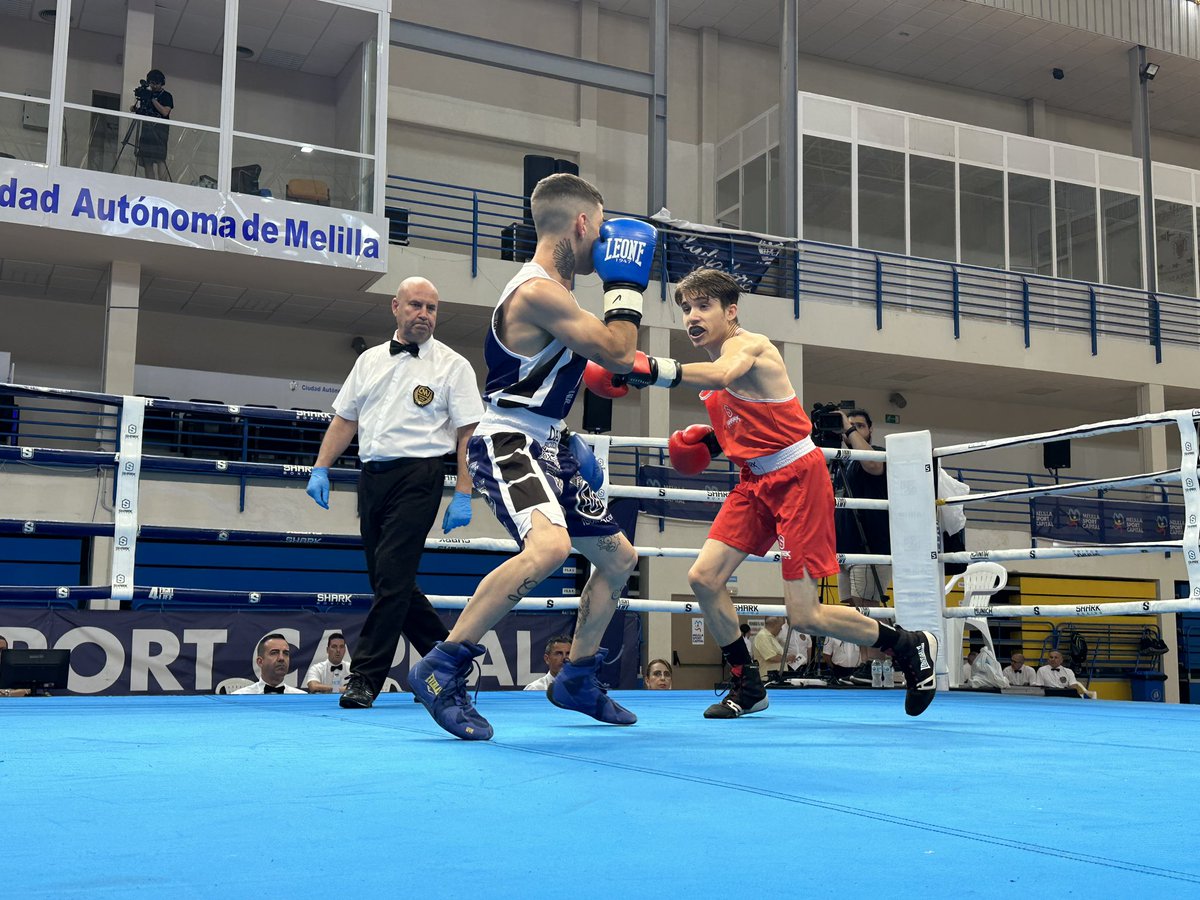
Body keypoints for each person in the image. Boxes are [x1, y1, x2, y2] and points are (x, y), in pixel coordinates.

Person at [585, 267, 938, 718]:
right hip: (755, 483)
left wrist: (647, 368)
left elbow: (723, 374)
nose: (693, 316)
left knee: (805, 616)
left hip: (798, 480)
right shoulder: (711, 373)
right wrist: (709, 442)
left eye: (704, 306)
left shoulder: (748, 346)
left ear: (730, 311)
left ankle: (909, 645)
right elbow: (742, 418)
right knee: (704, 578)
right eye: (687, 309)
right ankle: (746, 685)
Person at [407, 173, 657, 740]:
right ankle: (442, 666)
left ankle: (577, 676)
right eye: (602, 230)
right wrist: (625, 285)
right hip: (508, 440)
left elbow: (595, 366)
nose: (604, 244)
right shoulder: (537, 291)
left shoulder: (557, 294)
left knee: (618, 559)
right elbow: (619, 351)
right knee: (550, 547)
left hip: (548, 443)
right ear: (584, 224)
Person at [305, 276, 484, 710]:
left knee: (391, 579)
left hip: (419, 477)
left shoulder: (453, 365)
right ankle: (448, 657)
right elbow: (345, 419)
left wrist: (464, 492)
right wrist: (321, 467)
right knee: (390, 581)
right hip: (372, 478)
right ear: (396, 307)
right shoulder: (368, 361)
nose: (424, 314)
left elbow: (468, 434)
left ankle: (365, 678)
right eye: (416, 305)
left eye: (432, 308)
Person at [835, 408, 891, 605]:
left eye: (860, 426)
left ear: (870, 429)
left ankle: (900, 638)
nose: (855, 430)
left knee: (866, 612)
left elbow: (872, 465)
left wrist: (850, 431)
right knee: (850, 615)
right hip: (844, 549)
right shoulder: (839, 460)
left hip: (870, 549)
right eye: (851, 425)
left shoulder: (878, 454)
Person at [129, 68, 173, 182]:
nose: (154, 86)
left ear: (161, 83)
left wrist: (152, 99)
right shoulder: (147, 94)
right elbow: (143, 110)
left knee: (160, 159)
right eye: (152, 83)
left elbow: (165, 112)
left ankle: (163, 185)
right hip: (146, 130)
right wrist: (135, 109)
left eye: (157, 83)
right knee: (146, 160)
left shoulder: (166, 96)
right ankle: (150, 185)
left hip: (160, 131)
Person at [232, 634, 307, 694]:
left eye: (285, 653)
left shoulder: (303, 698)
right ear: (260, 662)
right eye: (274, 653)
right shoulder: (240, 697)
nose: (281, 658)